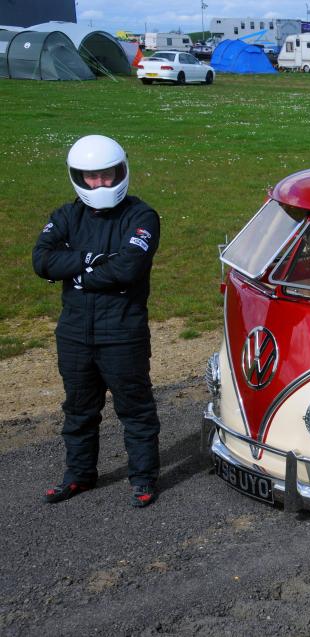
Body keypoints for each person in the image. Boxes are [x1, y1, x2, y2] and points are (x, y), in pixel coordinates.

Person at [32, 134, 162, 508]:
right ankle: (79, 475)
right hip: (74, 333)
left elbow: (127, 267)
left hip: (122, 332)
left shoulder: (141, 216)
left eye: (107, 175)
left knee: (135, 410)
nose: (99, 184)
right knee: (78, 410)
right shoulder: (66, 215)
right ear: (78, 176)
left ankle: (143, 478)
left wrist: (77, 271)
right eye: (90, 177)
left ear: (121, 172)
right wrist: (94, 258)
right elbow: (42, 261)